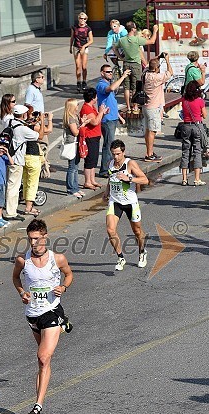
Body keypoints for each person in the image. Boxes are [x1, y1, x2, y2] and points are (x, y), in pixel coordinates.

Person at [12, 218, 73, 414]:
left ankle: (37, 406)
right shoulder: (23, 261)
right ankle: (64, 323)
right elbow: (15, 279)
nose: (34, 244)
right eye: (30, 240)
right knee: (43, 362)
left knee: (43, 357)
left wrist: (63, 287)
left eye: (37, 239)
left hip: (51, 310)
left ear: (45, 237)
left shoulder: (58, 259)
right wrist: (22, 292)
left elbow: (69, 275)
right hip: (32, 314)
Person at [102, 139, 149, 271]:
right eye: (113, 154)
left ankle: (142, 252)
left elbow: (145, 180)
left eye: (118, 154)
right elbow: (111, 179)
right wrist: (106, 192)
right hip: (115, 201)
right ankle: (120, 257)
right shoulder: (110, 163)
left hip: (130, 203)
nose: (116, 157)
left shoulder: (130, 164)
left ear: (123, 152)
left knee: (137, 231)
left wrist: (129, 178)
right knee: (110, 230)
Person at [4, 104, 40, 222]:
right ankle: (11, 212)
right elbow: (36, 136)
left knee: (11, 185)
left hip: (9, 157)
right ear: (23, 114)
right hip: (17, 160)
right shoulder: (22, 128)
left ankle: (11, 210)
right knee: (13, 186)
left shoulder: (9, 123)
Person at [113, 21, 158, 114]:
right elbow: (152, 41)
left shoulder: (122, 40)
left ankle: (128, 107)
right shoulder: (137, 39)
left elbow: (114, 47)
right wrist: (155, 31)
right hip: (136, 64)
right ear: (133, 29)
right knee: (135, 86)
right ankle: (135, 107)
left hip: (126, 63)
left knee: (126, 87)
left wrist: (120, 57)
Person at [96, 64, 130, 177]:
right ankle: (104, 170)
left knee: (110, 144)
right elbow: (111, 89)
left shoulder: (109, 83)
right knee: (108, 145)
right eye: (107, 72)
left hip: (113, 118)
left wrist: (119, 117)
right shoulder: (101, 85)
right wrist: (123, 76)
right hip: (107, 119)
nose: (110, 73)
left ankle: (109, 168)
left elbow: (112, 102)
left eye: (111, 72)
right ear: (102, 73)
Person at [142, 53, 173, 162]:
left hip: (146, 106)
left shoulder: (145, 73)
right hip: (154, 108)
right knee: (152, 131)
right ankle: (149, 154)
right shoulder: (157, 77)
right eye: (159, 66)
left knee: (147, 130)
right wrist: (167, 60)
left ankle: (148, 151)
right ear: (156, 68)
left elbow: (150, 64)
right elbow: (170, 73)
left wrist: (159, 57)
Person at [80, 88, 108, 190]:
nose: (97, 98)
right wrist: (101, 112)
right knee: (90, 160)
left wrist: (103, 113)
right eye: (96, 96)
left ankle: (92, 180)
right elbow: (95, 122)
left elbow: (97, 119)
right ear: (93, 98)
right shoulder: (86, 109)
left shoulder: (91, 107)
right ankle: (87, 181)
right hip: (90, 137)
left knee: (94, 159)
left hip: (95, 136)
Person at [180, 81, 207, 186]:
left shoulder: (184, 100)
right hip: (197, 126)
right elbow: (204, 115)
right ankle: (196, 179)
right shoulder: (200, 101)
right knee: (197, 151)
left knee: (185, 152)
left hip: (186, 126)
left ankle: (184, 179)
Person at [23, 106, 50, 215]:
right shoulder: (30, 126)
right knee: (32, 184)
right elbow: (42, 135)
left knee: (26, 182)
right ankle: (29, 207)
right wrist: (43, 121)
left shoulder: (22, 124)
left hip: (24, 156)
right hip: (33, 156)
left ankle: (27, 204)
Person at [62, 98, 87, 198]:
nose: (78, 107)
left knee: (76, 167)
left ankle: (75, 187)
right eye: (76, 105)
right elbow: (76, 132)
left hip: (76, 142)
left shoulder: (74, 116)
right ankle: (71, 189)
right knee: (72, 167)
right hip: (72, 143)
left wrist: (82, 122)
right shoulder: (70, 118)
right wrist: (83, 125)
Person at [70, 12, 93, 93]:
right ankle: (78, 82)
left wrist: (84, 46)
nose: (82, 20)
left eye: (84, 19)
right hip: (76, 47)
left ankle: (84, 81)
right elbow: (72, 37)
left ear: (86, 19)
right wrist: (70, 47)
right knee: (78, 66)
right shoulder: (74, 27)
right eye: (81, 18)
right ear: (78, 19)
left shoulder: (88, 28)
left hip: (84, 47)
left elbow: (91, 40)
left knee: (84, 66)